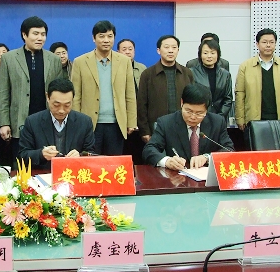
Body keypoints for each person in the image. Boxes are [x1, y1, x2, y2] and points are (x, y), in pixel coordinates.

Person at [0, 17, 63, 159]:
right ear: (24, 35)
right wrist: (4, 123)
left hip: (47, 121)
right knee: (21, 163)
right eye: (35, 34)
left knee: (47, 162)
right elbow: (3, 94)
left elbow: (59, 93)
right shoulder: (9, 58)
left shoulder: (54, 59)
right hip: (19, 122)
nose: (40, 38)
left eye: (43, 34)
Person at [72, 21, 137, 155]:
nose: (106, 40)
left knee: (113, 163)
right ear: (94, 38)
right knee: (90, 163)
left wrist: (131, 121)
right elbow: (76, 95)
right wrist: (76, 123)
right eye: (101, 36)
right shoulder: (80, 62)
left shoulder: (124, 61)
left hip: (116, 124)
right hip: (89, 124)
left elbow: (130, 94)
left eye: (110, 36)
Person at [143, 84, 234, 170]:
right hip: (177, 177)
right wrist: (167, 161)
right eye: (189, 111)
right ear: (182, 103)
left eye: (199, 113)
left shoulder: (217, 122)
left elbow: (229, 149)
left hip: (206, 177)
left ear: (207, 110)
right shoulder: (166, 123)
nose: (193, 117)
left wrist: (207, 157)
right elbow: (149, 150)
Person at [18, 78, 95, 169]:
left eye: (67, 105)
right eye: (56, 105)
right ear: (47, 97)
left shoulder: (84, 122)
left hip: (73, 173)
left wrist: (80, 156)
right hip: (44, 174)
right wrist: (41, 154)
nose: (61, 110)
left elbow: (92, 154)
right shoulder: (32, 122)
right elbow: (22, 155)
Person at [235, 28, 280, 131]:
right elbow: (240, 93)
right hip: (254, 120)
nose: (268, 45)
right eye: (264, 42)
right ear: (257, 44)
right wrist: (240, 118)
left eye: (271, 42)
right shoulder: (245, 66)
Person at [137, 35, 194, 143]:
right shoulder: (148, 74)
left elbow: (192, 102)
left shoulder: (187, 73)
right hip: (156, 128)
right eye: (166, 47)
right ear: (158, 50)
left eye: (174, 47)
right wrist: (144, 131)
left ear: (178, 50)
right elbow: (141, 104)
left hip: (182, 128)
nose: (170, 51)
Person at [190, 39, 233, 121]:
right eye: (205, 53)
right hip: (198, 117)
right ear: (200, 55)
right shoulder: (192, 73)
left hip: (220, 118)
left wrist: (220, 116)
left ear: (218, 54)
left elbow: (228, 99)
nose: (209, 56)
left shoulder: (225, 75)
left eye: (212, 53)